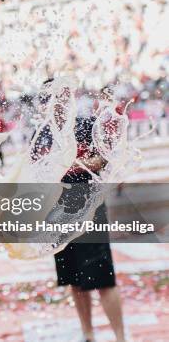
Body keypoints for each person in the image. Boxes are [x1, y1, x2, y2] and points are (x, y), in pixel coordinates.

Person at [53, 116, 126, 342]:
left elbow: (104, 158)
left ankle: (120, 337)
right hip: (58, 209)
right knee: (73, 278)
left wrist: (72, 164)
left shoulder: (84, 123)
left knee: (103, 277)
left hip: (89, 206)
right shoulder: (45, 132)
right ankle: (88, 334)